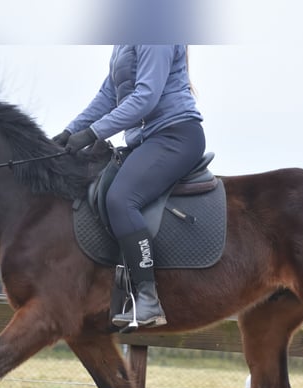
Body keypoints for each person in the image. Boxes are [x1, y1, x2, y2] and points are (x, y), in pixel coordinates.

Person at [53, 45, 206, 328]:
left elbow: (146, 97)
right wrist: (70, 132)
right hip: (146, 140)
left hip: (175, 135)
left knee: (121, 198)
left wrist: (92, 133)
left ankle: (148, 298)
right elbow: (108, 96)